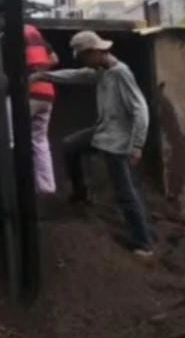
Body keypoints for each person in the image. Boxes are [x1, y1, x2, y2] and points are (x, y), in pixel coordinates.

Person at [30, 31, 153, 257]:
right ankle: (81, 196)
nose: (82, 61)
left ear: (95, 52)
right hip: (103, 131)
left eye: (83, 56)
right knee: (69, 146)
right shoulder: (100, 71)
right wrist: (43, 77)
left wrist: (137, 145)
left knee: (125, 192)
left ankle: (143, 244)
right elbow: (75, 75)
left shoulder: (120, 73)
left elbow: (140, 109)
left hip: (117, 140)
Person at [0, 24, 59, 198]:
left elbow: (4, 69)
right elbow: (54, 59)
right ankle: (46, 185)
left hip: (26, 93)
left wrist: (18, 78)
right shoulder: (37, 36)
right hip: (46, 93)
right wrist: (37, 71)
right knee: (39, 140)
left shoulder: (7, 35)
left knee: (2, 138)